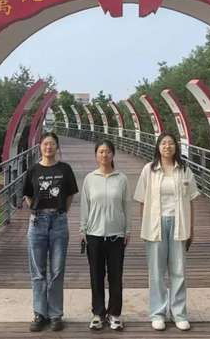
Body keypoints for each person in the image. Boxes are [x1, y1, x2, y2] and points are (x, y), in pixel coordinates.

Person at [133, 132, 199, 332]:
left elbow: (191, 201)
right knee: (156, 272)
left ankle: (179, 314)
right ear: (158, 147)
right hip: (155, 224)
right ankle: (158, 313)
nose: (167, 147)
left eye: (171, 143)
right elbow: (142, 201)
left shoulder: (184, 170)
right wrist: (145, 227)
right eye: (163, 143)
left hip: (179, 223)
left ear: (176, 147)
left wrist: (191, 229)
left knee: (178, 271)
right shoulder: (149, 169)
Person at [23, 132, 79, 332]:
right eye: (45, 144)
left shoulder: (65, 169)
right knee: (37, 271)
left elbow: (70, 195)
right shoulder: (33, 170)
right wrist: (39, 211)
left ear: (57, 147)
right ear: (40, 146)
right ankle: (39, 313)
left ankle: (55, 314)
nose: (48, 147)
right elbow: (28, 195)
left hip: (59, 222)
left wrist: (60, 213)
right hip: (37, 222)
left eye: (52, 144)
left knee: (57, 270)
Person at [80, 140, 131, 331]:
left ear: (113, 155)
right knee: (96, 275)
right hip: (94, 234)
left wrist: (127, 230)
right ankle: (98, 312)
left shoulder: (122, 179)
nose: (104, 155)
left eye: (108, 152)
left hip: (116, 234)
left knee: (116, 275)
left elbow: (126, 205)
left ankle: (114, 313)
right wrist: (83, 230)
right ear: (96, 155)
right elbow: (85, 205)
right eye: (101, 152)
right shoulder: (90, 179)